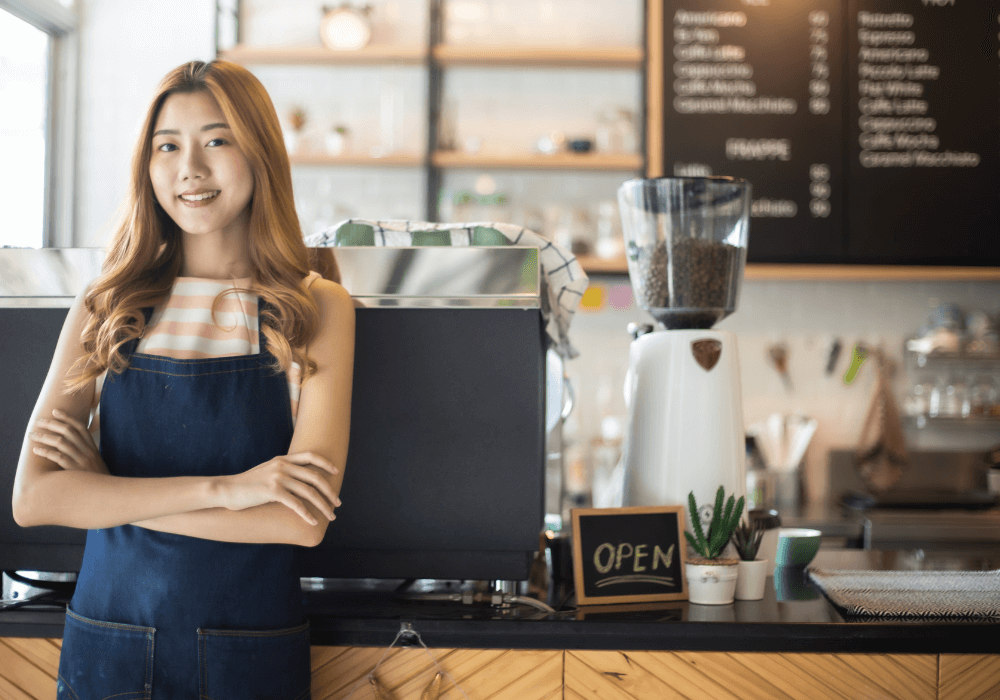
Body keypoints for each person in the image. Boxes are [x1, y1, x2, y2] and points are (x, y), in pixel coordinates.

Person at [11, 59, 355, 699]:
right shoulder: (106, 304)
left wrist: (108, 492)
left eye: (216, 141)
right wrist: (230, 491)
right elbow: (34, 500)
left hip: (247, 656)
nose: (189, 168)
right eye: (167, 146)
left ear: (260, 154)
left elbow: (299, 521)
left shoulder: (315, 306)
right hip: (107, 647)